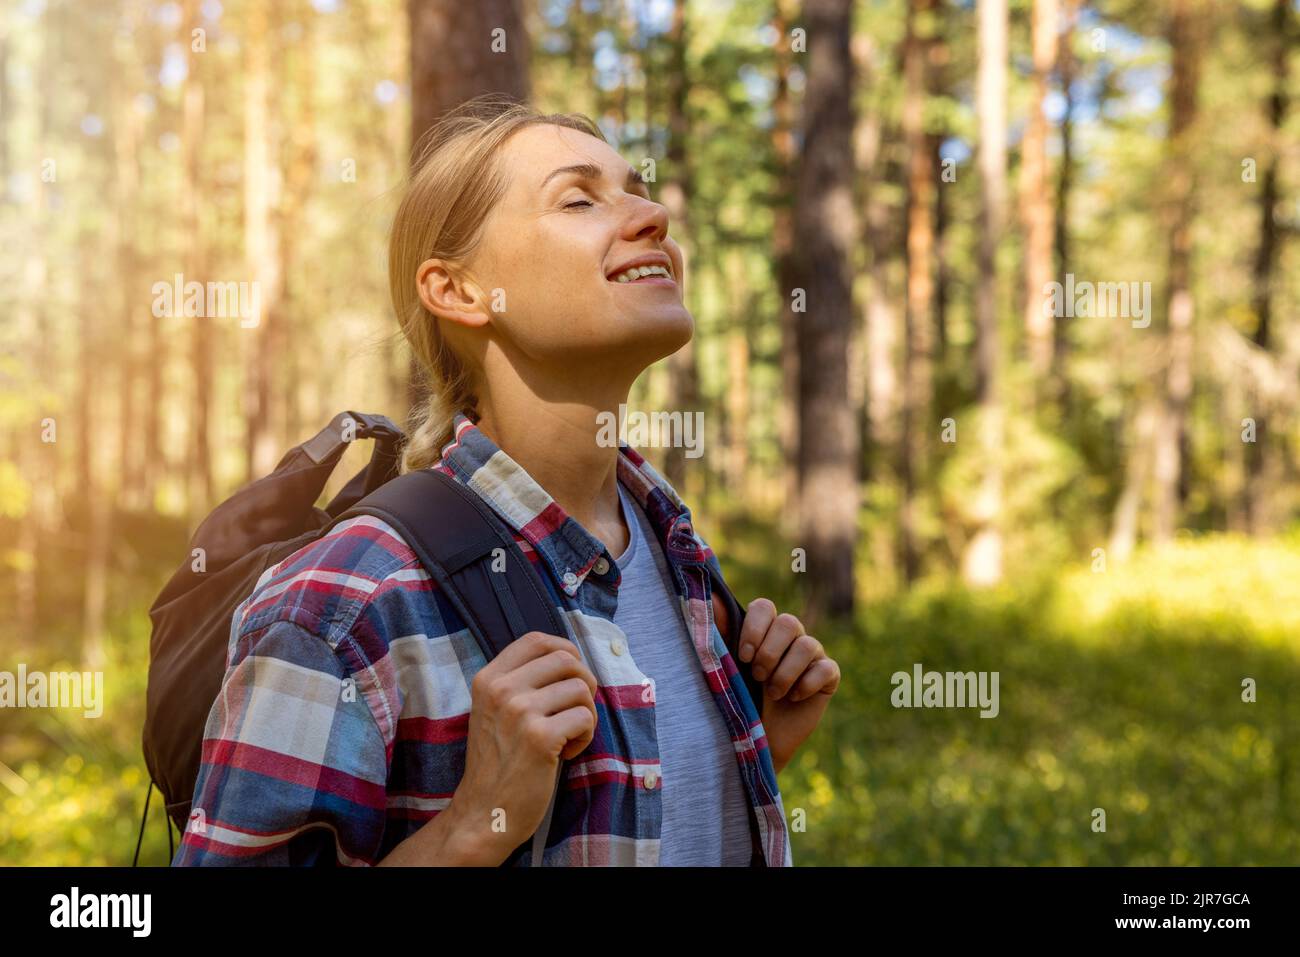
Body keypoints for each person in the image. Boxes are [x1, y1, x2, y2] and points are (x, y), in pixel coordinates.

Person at [173, 95, 840, 867]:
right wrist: (471, 824)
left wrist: (748, 753)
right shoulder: (351, 596)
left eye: (636, 189)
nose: (651, 213)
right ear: (456, 291)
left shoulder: (674, 553)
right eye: (580, 198)